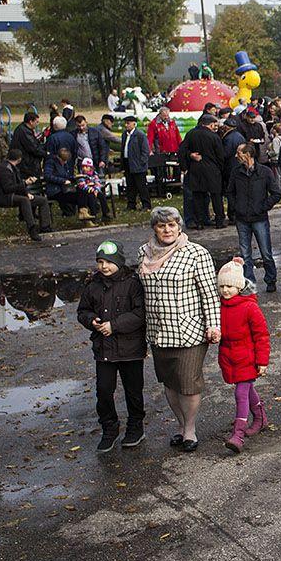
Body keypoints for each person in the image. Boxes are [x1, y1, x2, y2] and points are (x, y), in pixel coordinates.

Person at [137, 207, 222, 453]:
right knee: (170, 383)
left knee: (188, 383)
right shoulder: (143, 253)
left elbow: (209, 293)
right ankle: (181, 425)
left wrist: (213, 325)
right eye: (162, 225)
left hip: (190, 333)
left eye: (172, 225)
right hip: (158, 332)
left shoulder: (196, 253)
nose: (167, 230)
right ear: (154, 228)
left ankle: (191, 429)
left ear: (179, 227)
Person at [77, 240, 147, 452]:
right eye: (100, 262)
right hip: (104, 349)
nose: (104, 267)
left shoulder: (133, 283)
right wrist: (92, 321)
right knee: (104, 390)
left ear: (119, 262)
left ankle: (136, 426)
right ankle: (109, 427)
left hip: (130, 349)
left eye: (108, 262)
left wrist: (114, 325)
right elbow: (82, 311)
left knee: (133, 390)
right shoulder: (93, 285)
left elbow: (140, 313)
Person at [214, 258, 271, 454]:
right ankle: (260, 417)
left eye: (230, 286)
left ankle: (238, 434)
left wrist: (262, 361)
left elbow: (261, 335)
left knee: (241, 393)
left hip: (247, 356)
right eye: (222, 286)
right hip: (229, 356)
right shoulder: (218, 307)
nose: (226, 290)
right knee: (246, 390)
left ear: (239, 286)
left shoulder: (249, 307)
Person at [227, 143, 281, 293]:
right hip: (242, 218)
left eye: (239, 152)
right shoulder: (236, 172)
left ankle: (271, 279)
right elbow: (230, 192)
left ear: (248, 154)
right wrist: (236, 207)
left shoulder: (264, 172)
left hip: (259, 218)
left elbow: (276, 193)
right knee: (245, 254)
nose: (236, 155)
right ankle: (250, 283)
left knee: (266, 252)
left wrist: (263, 207)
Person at [0, 149, 50, 239]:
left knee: (42, 200)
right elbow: (8, 189)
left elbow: (18, 184)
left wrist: (26, 193)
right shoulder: (4, 169)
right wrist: (25, 183)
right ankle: (32, 228)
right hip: (2, 197)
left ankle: (45, 226)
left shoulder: (13, 168)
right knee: (24, 200)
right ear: (19, 159)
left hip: (11, 195)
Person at [179, 114, 226, 229]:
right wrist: (221, 169)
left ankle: (199, 222)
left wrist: (186, 162)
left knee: (198, 196)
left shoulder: (191, 134)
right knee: (216, 196)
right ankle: (219, 220)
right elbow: (220, 156)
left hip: (196, 169)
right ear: (210, 124)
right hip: (212, 169)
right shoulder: (214, 137)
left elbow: (182, 150)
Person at [118, 115, 151, 211]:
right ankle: (131, 204)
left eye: (128, 123)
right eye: (126, 123)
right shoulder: (125, 134)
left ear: (134, 124)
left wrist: (142, 162)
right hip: (128, 162)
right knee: (130, 185)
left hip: (138, 164)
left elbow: (145, 150)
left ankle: (146, 204)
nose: (126, 125)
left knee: (141, 186)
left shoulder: (140, 135)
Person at [9, 111, 46, 180]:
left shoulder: (24, 129)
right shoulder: (24, 132)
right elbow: (33, 148)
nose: (37, 124)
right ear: (31, 122)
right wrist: (46, 153)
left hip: (24, 162)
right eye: (36, 122)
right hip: (26, 165)